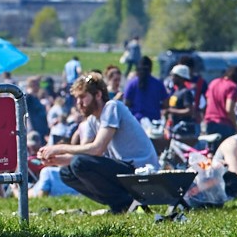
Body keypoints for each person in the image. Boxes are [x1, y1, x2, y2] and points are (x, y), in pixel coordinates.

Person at [35, 74, 160, 213]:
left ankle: (126, 203)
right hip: (124, 169)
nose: (78, 103)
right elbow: (87, 156)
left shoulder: (112, 107)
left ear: (98, 95)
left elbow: (96, 150)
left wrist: (59, 148)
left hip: (141, 170)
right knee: (66, 173)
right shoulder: (93, 120)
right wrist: (55, 160)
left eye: (83, 97)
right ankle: (121, 204)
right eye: (77, 98)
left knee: (78, 163)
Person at [120, 55, 169, 124]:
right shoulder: (158, 84)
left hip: (136, 122)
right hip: (154, 121)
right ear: (150, 68)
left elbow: (126, 103)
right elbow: (166, 104)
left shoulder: (132, 83)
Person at [203, 65, 237, 138]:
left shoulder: (214, 82)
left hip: (210, 122)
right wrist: (235, 125)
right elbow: (229, 109)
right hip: (225, 125)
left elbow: (207, 102)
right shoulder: (232, 86)